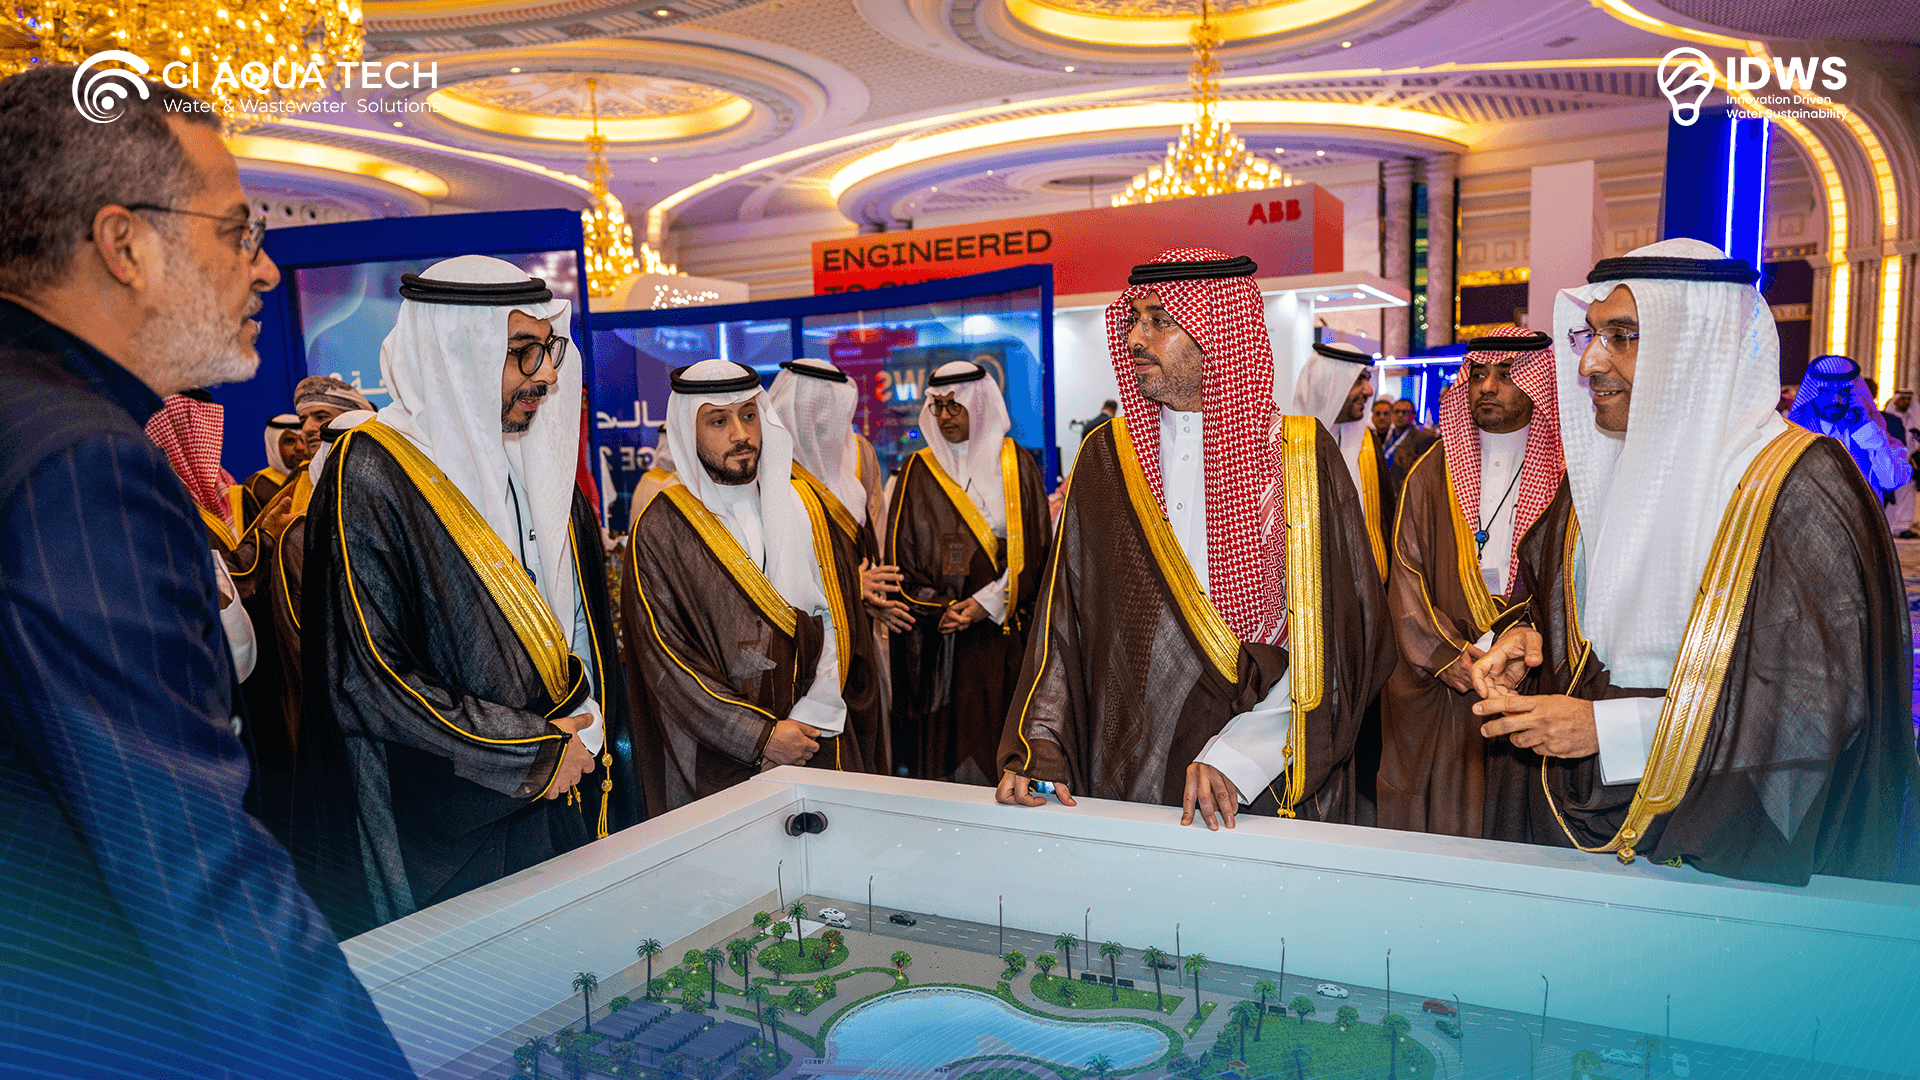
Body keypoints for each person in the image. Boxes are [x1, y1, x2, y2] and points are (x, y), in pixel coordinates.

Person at [0, 66, 411, 1077]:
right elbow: (188, 864)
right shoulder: (84, 462)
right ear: (125, 245)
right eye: (237, 232)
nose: (263, 270)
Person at [1470, 239, 1920, 885]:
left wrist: (1611, 729)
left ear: (1696, 346)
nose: (1590, 362)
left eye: (1623, 336)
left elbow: (1815, 702)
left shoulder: (1795, 483)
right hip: (1579, 812)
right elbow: (1577, 604)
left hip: (1729, 834)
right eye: (1590, 335)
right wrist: (1529, 639)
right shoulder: (1601, 468)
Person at [997, 249, 1393, 826]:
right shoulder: (1106, 455)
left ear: (1220, 333)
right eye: (1133, 319)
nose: (1136, 338)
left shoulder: (1302, 457)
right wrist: (1042, 747)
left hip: (1267, 772)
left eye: (1160, 320)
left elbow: (1341, 636)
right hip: (1127, 756)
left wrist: (1241, 755)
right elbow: (1064, 618)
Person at [292, 256, 626, 937]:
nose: (546, 375)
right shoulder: (371, 470)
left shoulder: (536, 459)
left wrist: (582, 732)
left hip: (565, 785)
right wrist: (533, 753)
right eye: (521, 351)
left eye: (549, 349)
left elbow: (578, 622)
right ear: (455, 353)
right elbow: (369, 678)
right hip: (448, 819)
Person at [621, 359, 855, 811]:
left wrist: (808, 720)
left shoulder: (802, 505)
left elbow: (836, 621)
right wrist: (762, 738)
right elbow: (666, 659)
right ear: (688, 430)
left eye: (749, 415)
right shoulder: (661, 527)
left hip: (810, 739)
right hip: (715, 757)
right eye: (718, 421)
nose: (741, 434)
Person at [1377, 327, 1563, 838]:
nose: (1488, 387)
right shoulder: (1431, 473)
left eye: (1506, 374)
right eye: (1478, 374)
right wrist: (1450, 656)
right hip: (1449, 677)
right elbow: (1406, 580)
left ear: (1538, 383)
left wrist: (1527, 650)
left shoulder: (1568, 472)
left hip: (1534, 673)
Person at [888, 359, 1050, 783]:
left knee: (1000, 741)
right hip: (941, 642)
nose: (944, 417)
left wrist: (986, 603)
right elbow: (901, 560)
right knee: (946, 755)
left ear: (977, 406)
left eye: (954, 406)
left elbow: (1037, 551)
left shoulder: (1016, 463)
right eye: (937, 406)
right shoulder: (917, 470)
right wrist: (940, 608)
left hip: (1002, 634)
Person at [767, 356, 899, 773]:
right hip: (804, 642)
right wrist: (849, 586)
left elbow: (868, 535)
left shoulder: (859, 454)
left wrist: (871, 592)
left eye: (831, 404)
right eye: (813, 403)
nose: (823, 415)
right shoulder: (768, 468)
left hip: (858, 632)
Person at [1292, 341, 1391, 580]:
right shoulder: (1290, 447)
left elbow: (1387, 521)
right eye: (1359, 380)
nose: (1369, 391)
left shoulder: (1369, 444)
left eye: (1367, 379)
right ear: (1330, 384)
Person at [1785, 355, 1912, 504]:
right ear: (1812, 394)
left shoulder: (1871, 433)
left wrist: (1866, 429)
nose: (1835, 400)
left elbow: (1892, 481)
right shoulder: (1794, 436)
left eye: (1843, 392)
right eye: (1825, 392)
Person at [241, 412, 307, 524]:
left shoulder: (316, 477)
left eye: (303, 440)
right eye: (290, 442)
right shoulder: (256, 485)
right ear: (274, 446)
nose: (300, 447)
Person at [1888, 387, 1920, 537]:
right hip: (1891, 462)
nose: (1905, 402)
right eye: (1902, 398)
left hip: (1908, 463)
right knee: (1892, 496)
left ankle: (1903, 526)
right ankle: (1889, 526)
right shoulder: (1889, 418)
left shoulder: (1914, 419)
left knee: (1907, 496)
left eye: (1908, 399)